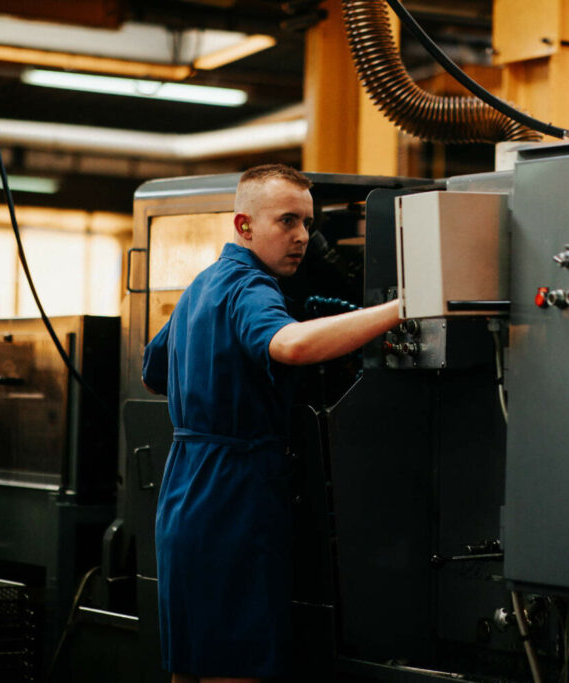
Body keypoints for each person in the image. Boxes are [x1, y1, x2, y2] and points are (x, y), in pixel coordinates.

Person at [142, 164, 401, 683]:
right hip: (236, 496)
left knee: (192, 663)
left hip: (184, 494)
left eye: (308, 222)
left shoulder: (203, 285)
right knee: (236, 665)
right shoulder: (251, 288)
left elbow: (154, 372)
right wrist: (402, 308)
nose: (302, 236)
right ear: (244, 226)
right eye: (287, 221)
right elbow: (291, 344)